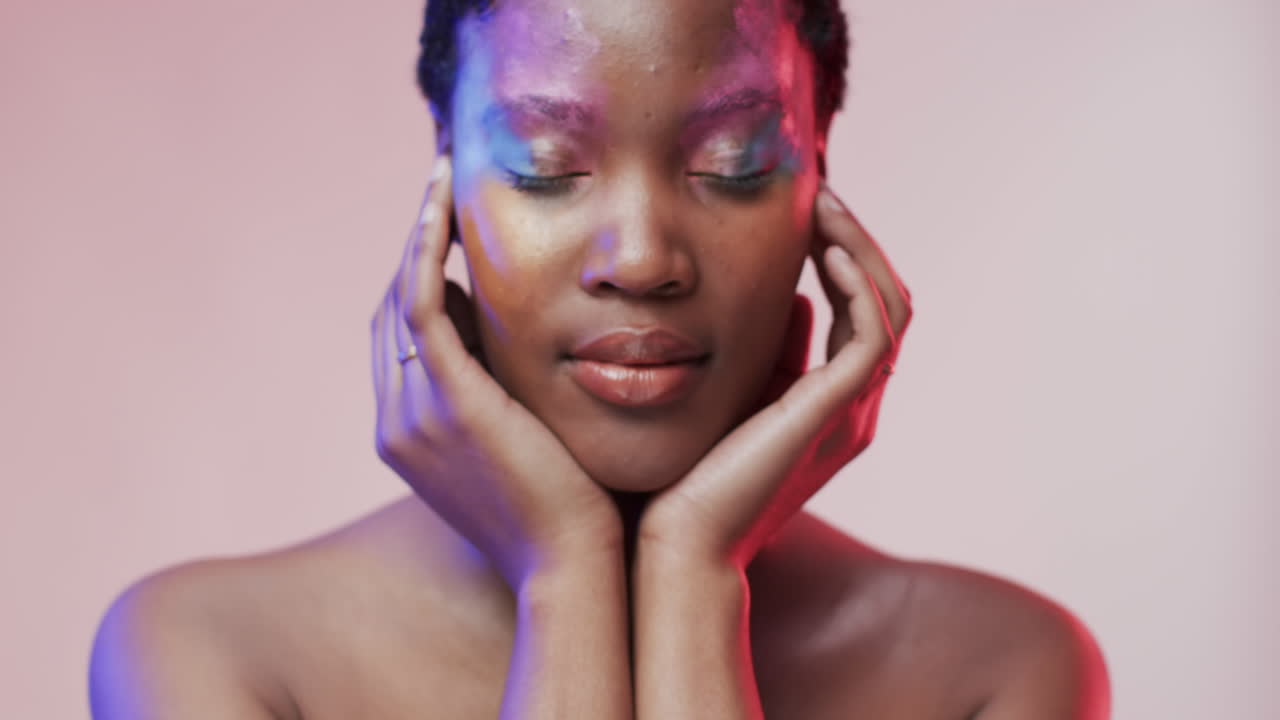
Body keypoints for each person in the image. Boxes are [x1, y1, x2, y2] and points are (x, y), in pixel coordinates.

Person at [89, 0, 1110, 717]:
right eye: (545, 167)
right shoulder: (209, 655)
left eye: (733, 164)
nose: (641, 259)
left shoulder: (999, 675)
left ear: (818, 178)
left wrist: (694, 576)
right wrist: (565, 578)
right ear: (447, 176)